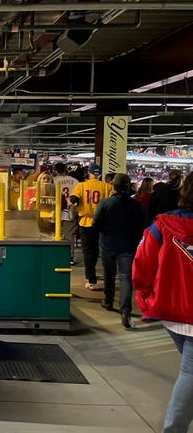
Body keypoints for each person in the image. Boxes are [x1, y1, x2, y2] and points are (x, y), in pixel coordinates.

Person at [132, 171, 193, 433]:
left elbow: (142, 265)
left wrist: (146, 296)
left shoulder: (163, 226)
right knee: (190, 374)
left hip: (172, 312)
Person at [91, 173, 144, 327]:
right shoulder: (137, 205)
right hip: (128, 246)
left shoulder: (105, 203)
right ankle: (125, 310)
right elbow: (142, 225)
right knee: (125, 277)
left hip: (108, 244)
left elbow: (96, 225)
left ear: (113, 186)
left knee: (109, 274)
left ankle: (108, 301)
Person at [70, 164, 113, 290]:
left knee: (88, 252)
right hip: (102, 222)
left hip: (86, 222)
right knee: (103, 251)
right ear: (99, 174)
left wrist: (70, 203)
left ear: (88, 173)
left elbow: (73, 199)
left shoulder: (81, 186)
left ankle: (91, 279)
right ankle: (108, 277)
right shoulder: (107, 186)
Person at [53, 162, 79, 265]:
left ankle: (56, 255)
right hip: (70, 211)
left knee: (55, 235)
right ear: (66, 170)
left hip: (55, 211)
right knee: (69, 236)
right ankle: (69, 257)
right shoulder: (75, 181)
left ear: (55, 170)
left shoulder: (53, 180)